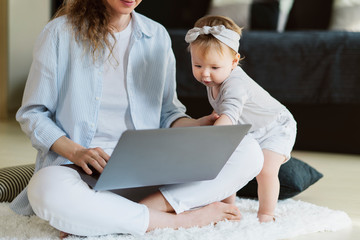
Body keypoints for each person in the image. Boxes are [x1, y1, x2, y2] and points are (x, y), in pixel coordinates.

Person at [10, 0, 264, 238]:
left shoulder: (156, 35)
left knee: (250, 151)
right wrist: (76, 152)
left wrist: (196, 125)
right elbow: (33, 113)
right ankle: (181, 220)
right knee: (45, 189)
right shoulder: (59, 33)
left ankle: (119, 215)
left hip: (149, 170)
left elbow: (168, 112)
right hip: (80, 170)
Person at [184, 15, 297, 223]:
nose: (205, 74)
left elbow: (229, 115)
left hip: (276, 126)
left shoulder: (235, 84)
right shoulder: (215, 80)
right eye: (198, 65)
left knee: (265, 170)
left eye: (214, 68)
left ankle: (266, 215)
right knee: (229, 164)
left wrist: (210, 142)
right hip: (248, 128)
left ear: (234, 62)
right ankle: (228, 207)